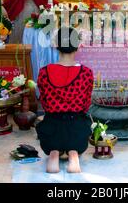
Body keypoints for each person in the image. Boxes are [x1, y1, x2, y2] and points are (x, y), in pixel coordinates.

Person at [36, 27, 94, 173]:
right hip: (77, 131)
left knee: (51, 136)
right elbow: (86, 104)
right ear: (78, 46)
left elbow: (43, 101)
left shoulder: (44, 72)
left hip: (51, 130)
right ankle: (73, 154)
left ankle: (54, 154)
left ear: (56, 45)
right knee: (80, 128)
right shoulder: (86, 73)